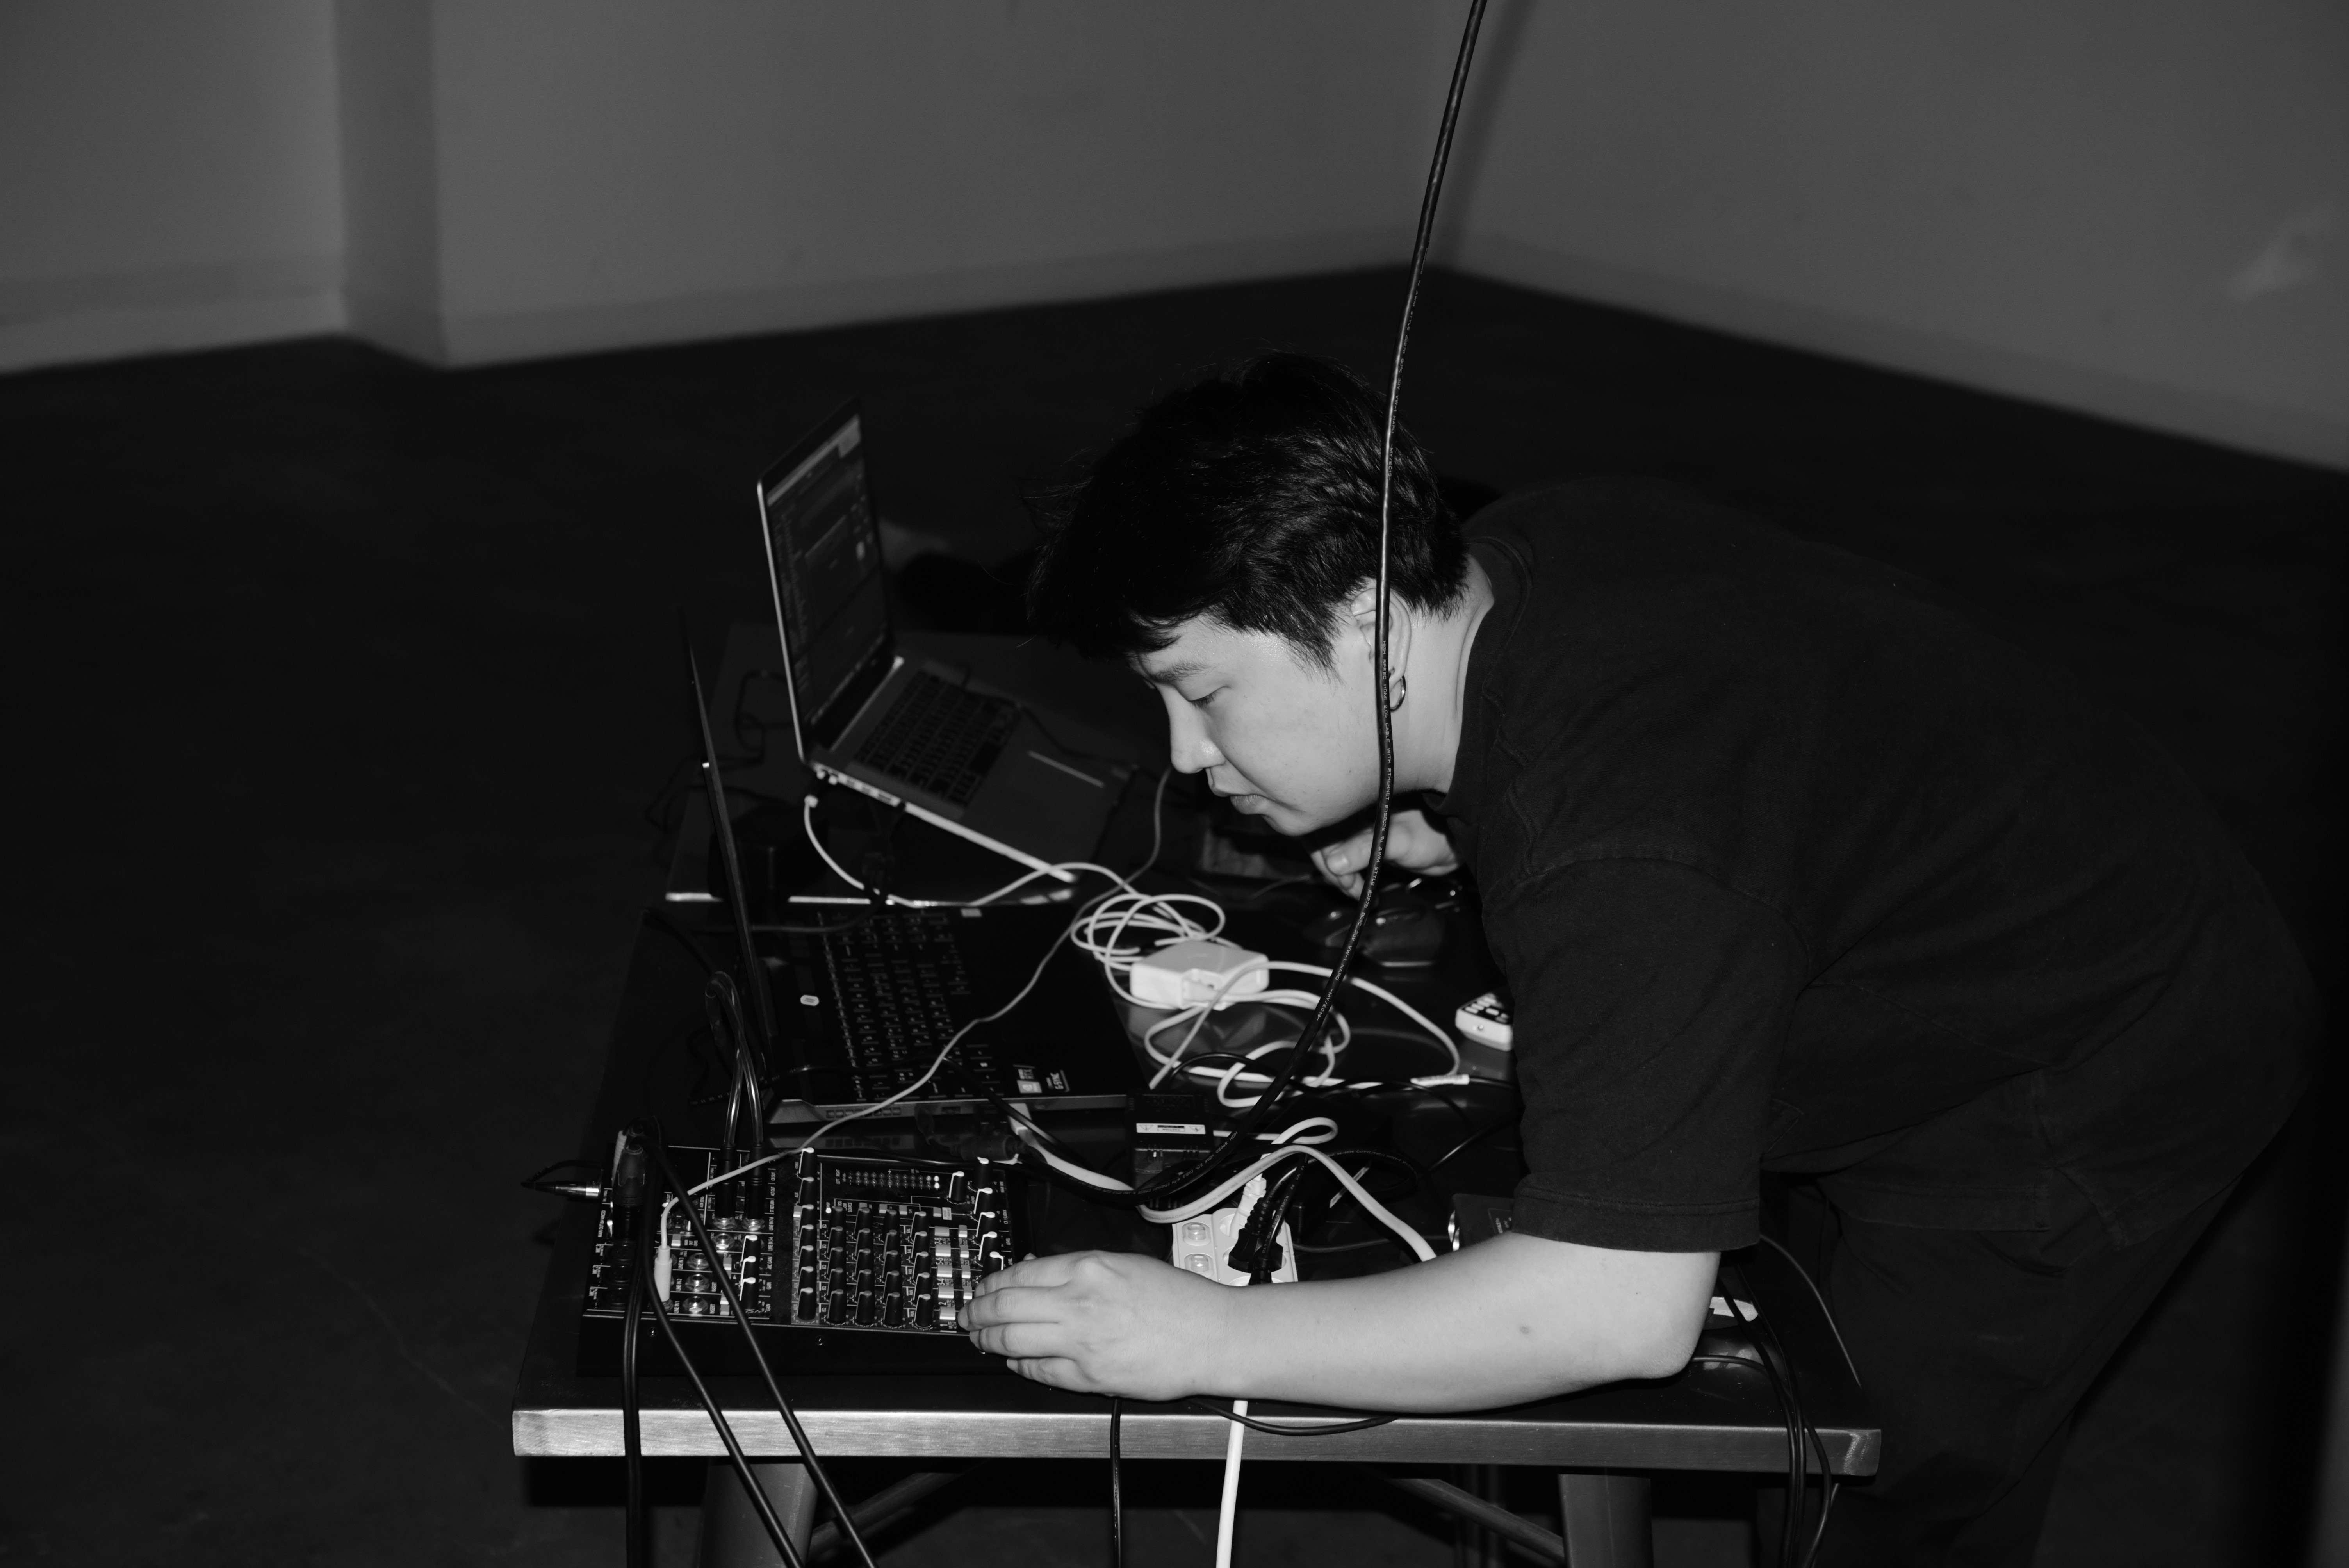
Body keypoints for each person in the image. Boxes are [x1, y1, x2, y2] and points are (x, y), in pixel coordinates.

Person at [962, 353, 2314, 1563]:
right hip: (1962, 894)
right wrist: (1440, 809)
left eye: (1202, 692)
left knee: (1890, 1470)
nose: (1187, 756)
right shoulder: (1532, 545)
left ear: (1366, 613)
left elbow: (1614, 1310)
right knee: (1776, 1291)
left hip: (2107, 1046)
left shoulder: (1622, 856)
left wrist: (1201, 1338)